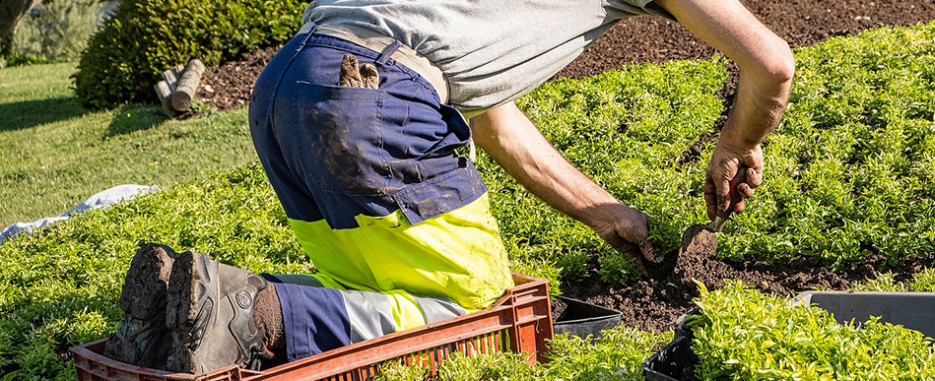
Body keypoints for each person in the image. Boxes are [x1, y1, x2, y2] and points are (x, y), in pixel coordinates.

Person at [104, 0, 793, 373]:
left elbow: (491, 119)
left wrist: (604, 212)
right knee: (474, 308)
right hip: (369, 95)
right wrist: (738, 144)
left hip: (289, 89)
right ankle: (252, 314)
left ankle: (182, 304)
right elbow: (771, 63)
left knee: (379, 298)